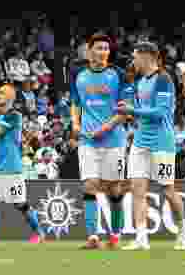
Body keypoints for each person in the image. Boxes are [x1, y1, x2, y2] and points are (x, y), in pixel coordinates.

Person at [116, 41, 185, 250]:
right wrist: (127, 111)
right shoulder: (139, 82)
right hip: (140, 140)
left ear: (147, 56)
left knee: (167, 190)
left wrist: (133, 110)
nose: (133, 60)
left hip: (162, 142)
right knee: (137, 190)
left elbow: (160, 113)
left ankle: (183, 231)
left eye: (135, 56)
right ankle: (141, 238)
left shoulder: (164, 79)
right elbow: (141, 113)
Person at [71, 32, 129, 249]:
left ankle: (115, 235)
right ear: (89, 51)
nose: (103, 52)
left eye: (106, 48)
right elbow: (76, 102)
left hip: (114, 139)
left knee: (114, 189)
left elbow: (124, 111)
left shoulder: (118, 74)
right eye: (99, 48)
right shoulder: (78, 73)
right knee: (89, 185)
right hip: (87, 140)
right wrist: (75, 123)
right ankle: (92, 237)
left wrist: (105, 128)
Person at [0, 84, 45, 245]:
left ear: (11, 97)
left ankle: (38, 232)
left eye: (2, 93)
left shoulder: (14, 115)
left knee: (20, 204)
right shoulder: (0, 116)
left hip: (11, 168)